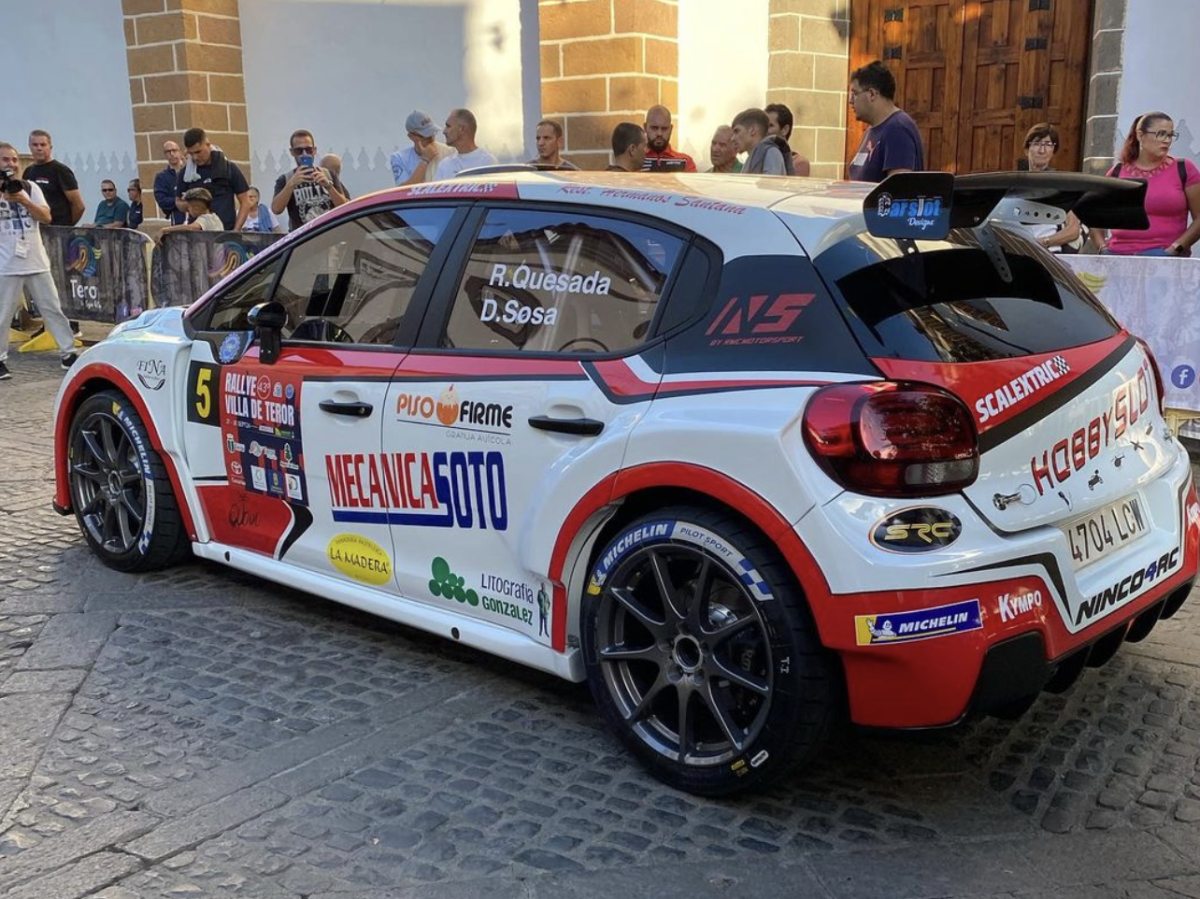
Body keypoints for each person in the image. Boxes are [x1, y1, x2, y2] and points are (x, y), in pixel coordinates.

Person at [0, 142, 78, 379]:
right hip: (6, 264)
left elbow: (46, 217)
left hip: (36, 260)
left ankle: (68, 353)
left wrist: (24, 200)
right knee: (3, 315)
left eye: (14, 159)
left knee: (52, 308)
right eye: (5, 159)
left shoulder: (30, 187)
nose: (12, 164)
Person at [1092, 112, 1200, 257]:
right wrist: (1103, 249)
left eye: (1170, 135)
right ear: (1140, 135)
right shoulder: (1117, 172)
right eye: (1161, 134)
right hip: (1118, 256)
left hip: (1165, 256)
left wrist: (1175, 248)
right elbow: (1095, 216)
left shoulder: (1184, 169)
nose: (1167, 140)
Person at [847, 60, 924, 182]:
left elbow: (899, 187)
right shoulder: (871, 131)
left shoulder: (898, 130)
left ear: (872, 94)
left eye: (855, 94)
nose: (850, 101)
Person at [1019, 124, 1081, 253]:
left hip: (1049, 254)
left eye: (1048, 144)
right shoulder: (1015, 184)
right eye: (1037, 143)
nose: (1042, 150)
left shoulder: (1059, 185)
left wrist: (1044, 241)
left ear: (1053, 151)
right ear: (1026, 149)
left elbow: (1073, 230)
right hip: (1017, 252)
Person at [271, 129, 349, 231]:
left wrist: (329, 187)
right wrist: (291, 184)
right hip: (303, 237)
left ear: (314, 150)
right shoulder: (285, 179)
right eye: (299, 151)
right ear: (292, 152)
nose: (304, 154)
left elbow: (343, 207)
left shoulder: (329, 175)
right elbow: (276, 209)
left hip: (329, 235)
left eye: (308, 150)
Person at [175, 127, 250, 231]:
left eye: (198, 152)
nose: (195, 157)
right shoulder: (185, 173)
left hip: (225, 232)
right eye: (191, 153)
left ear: (208, 145)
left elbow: (245, 201)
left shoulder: (228, 168)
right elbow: (178, 201)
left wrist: (236, 231)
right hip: (197, 233)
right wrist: (190, 205)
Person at [24, 130, 85, 226]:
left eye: (43, 145)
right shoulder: (28, 172)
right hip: (35, 228)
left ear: (50, 147)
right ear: (29, 147)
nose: (39, 148)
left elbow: (79, 206)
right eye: (35, 145)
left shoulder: (61, 171)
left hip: (58, 229)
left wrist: (66, 226)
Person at [390, 110, 455, 186]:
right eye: (426, 136)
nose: (431, 139)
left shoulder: (449, 152)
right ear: (411, 136)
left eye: (433, 133)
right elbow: (404, 190)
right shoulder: (399, 158)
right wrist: (425, 160)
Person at [433, 109, 497, 179]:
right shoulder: (445, 165)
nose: (444, 131)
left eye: (448, 126)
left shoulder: (487, 162)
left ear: (462, 129)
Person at [731, 108, 794, 175]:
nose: (732, 138)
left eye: (737, 131)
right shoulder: (753, 158)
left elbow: (770, 181)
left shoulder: (771, 152)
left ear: (752, 130)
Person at [641, 105, 697, 172]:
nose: (659, 133)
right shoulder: (635, 160)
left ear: (671, 129)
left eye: (664, 128)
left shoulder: (686, 162)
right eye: (654, 128)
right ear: (645, 127)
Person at [765, 103, 812, 176]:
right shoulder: (759, 157)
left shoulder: (799, 162)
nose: (764, 130)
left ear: (785, 130)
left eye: (770, 126)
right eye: (763, 125)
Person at [154, 140, 187, 224]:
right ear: (165, 155)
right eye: (168, 151)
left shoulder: (190, 171)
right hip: (178, 219)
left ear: (180, 152)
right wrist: (180, 201)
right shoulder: (162, 177)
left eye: (174, 150)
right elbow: (162, 200)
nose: (172, 154)